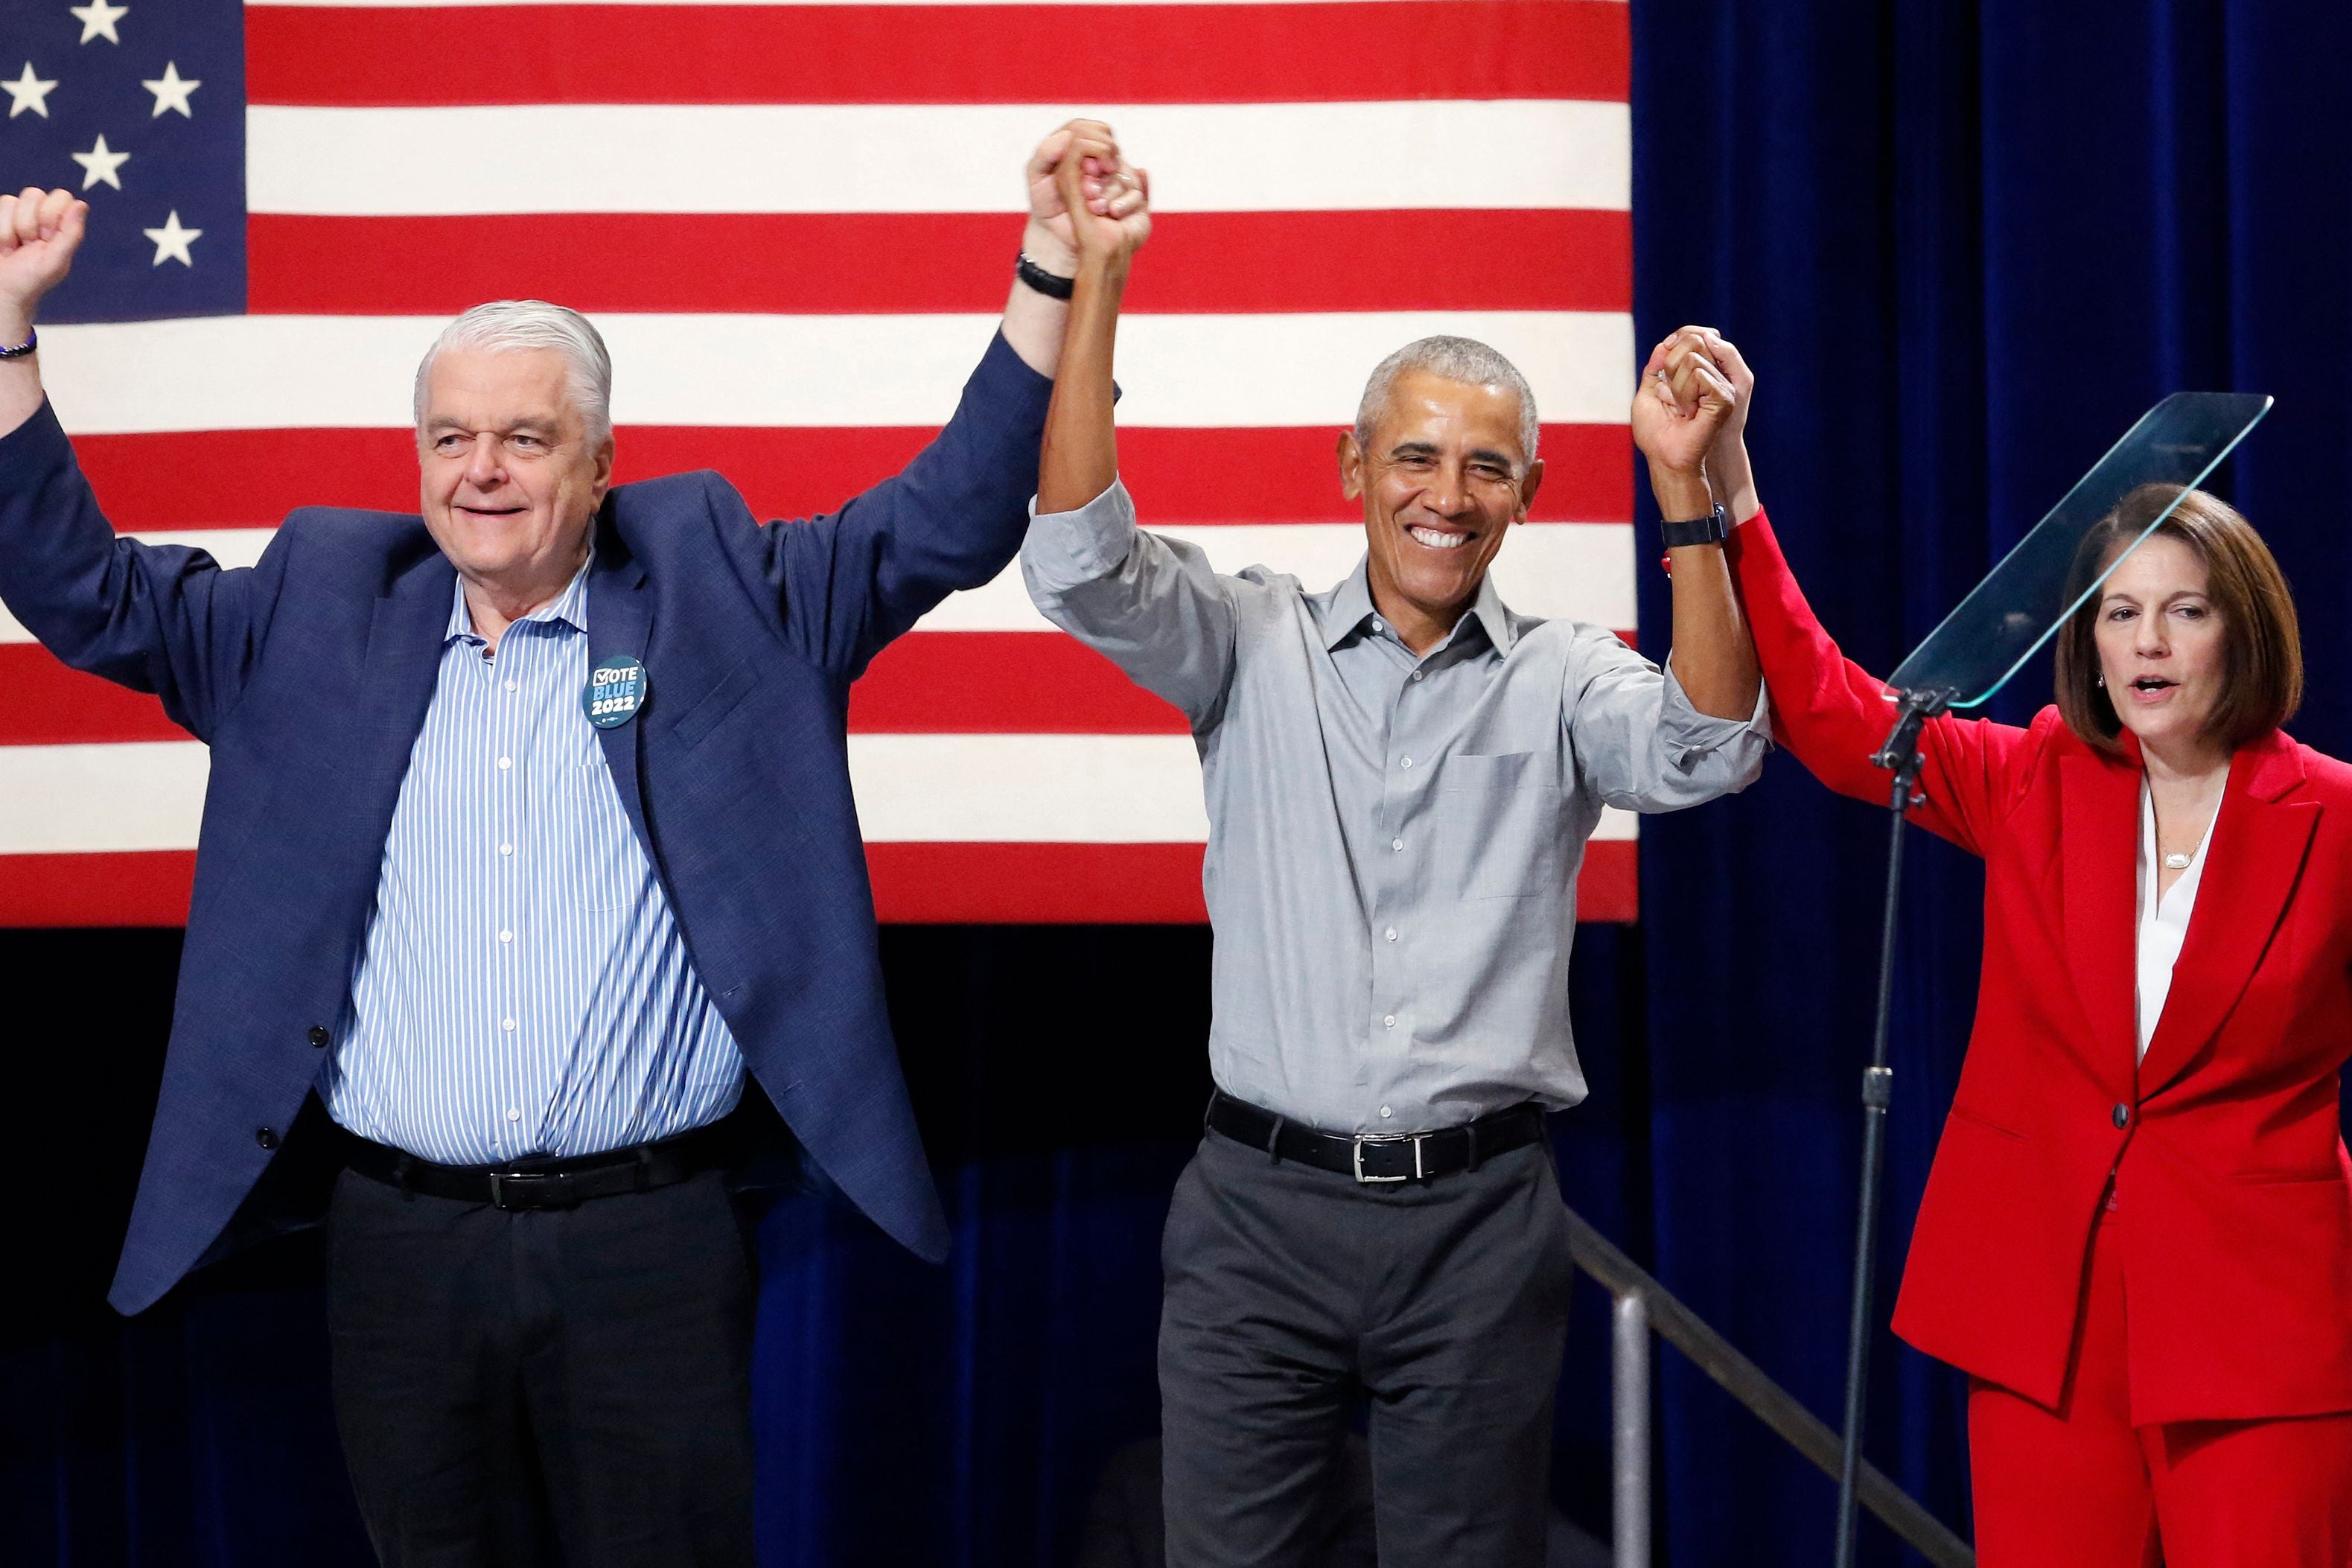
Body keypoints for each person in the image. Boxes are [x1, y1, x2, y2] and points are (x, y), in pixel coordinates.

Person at [0, 123, 1148, 1568]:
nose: (480, 472)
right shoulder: (310, 617)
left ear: (600, 466)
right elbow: (84, 593)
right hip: (399, 1249)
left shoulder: (729, 595)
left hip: (646, 1249)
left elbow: (948, 516)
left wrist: (1051, 265)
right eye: (450, 438)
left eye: (524, 439)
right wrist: (7, 343)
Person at [1020, 211, 1768, 1557]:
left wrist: (1691, 489)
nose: (1447, 491)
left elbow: (1710, 749)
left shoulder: (1563, 672)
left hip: (1477, 1228)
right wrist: (1095, 294)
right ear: (1353, 466)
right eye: (1414, 454)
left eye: (1489, 466)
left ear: (1529, 496)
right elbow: (1077, 559)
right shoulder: (1249, 639)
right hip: (1259, 1216)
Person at [1663, 322, 2352, 1564]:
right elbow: (1830, 713)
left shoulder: (2337, 819)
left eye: (2183, 611)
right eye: (2120, 612)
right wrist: (1731, 486)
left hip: (2259, 1335)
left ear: (2240, 630)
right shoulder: (2036, 777)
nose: (2146, 642)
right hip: (2046, 1315)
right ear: (2084, 639)